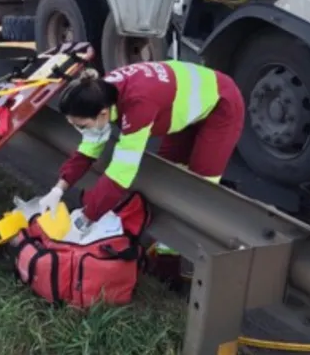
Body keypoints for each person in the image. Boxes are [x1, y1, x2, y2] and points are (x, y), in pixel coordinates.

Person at [38, 61, 245, 259]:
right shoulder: (99, 93)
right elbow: (88, 149)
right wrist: (58, 189)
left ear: (103, 114)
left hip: (221, 103)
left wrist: (86, 218)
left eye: (82, 126)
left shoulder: (137, 106)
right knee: (167, 173)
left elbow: (120, 174)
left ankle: (188, 251)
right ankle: (164, 241)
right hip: (183, 102)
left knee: (201, 184)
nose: (81, 130)